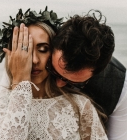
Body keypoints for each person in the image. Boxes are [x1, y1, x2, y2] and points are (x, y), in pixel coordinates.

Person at [0, 8, 108, 140]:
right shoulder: (6, 100)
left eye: (43, 49)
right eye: (24, 50)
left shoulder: (79, 105)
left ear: (54, 53)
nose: (34, 60)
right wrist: (20, 83)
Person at [51, 10, 127, 140]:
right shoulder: (30, 63)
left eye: (74, 82)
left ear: (99, 71)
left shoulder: (120, 87)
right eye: (52, 70)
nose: (59, 83)